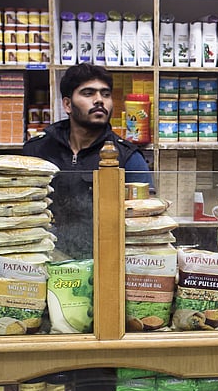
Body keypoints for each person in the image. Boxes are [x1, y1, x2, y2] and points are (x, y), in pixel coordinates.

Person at [24, 63, 151, 258]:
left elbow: (145, 226)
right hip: (43, 259)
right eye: (88, 93)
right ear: (67, 105)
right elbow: (20, 212)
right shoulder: (37, 151)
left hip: (106, 263)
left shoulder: (128, 157)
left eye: (106, 94)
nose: (99, 100)